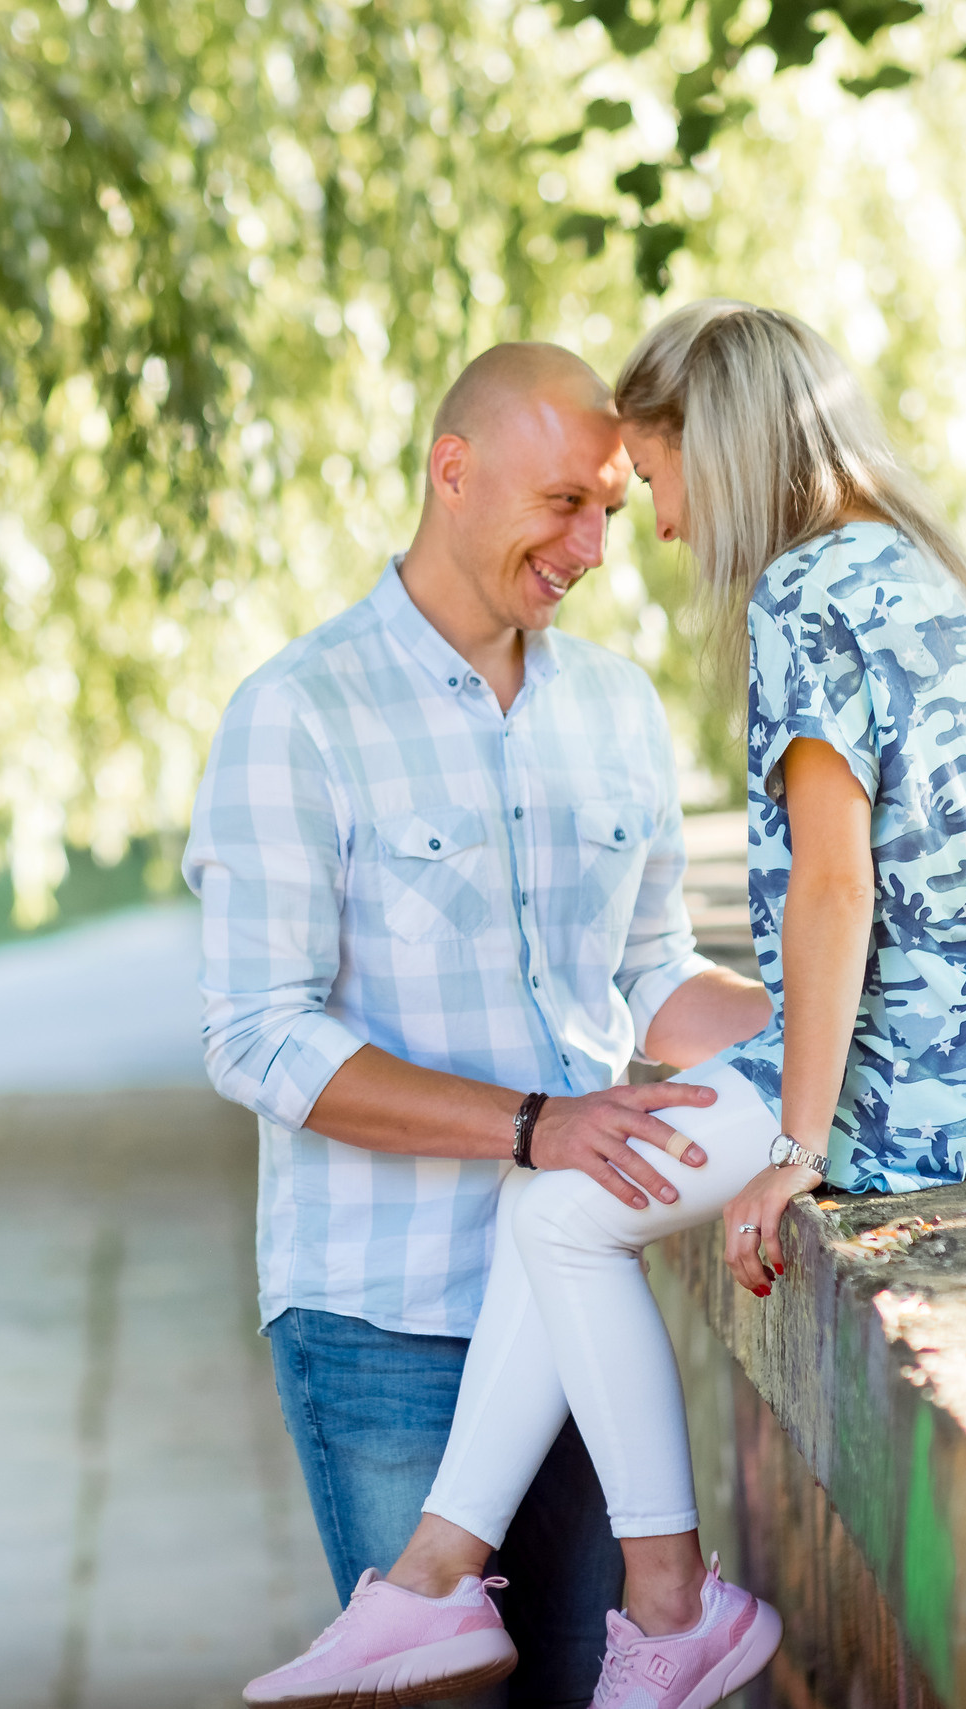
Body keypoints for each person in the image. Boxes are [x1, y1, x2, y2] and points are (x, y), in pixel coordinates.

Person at [235, 301, 966, 1709]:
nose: (658, 528)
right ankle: (439, 1582)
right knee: (571, 1183)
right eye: (578, 499)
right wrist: (753, 1068)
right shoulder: (915, 568)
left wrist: (791, 1141)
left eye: (649, 481)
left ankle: (662, 1602)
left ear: (725, 444)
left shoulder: (808, 593)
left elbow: (834, 889)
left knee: (566, 1199)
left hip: (920, 1064)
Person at [184, 342, 777, 1708]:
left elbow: (655, 977)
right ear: (453, 473)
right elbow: (258, 1036)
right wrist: (533, 1127)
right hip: (383, 1313)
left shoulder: (616, 711)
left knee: (587, 1684)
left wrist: (835, 1022)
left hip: (577, 1303)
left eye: (613, 513)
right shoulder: (297, 714)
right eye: (564, 502)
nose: (592, 547)